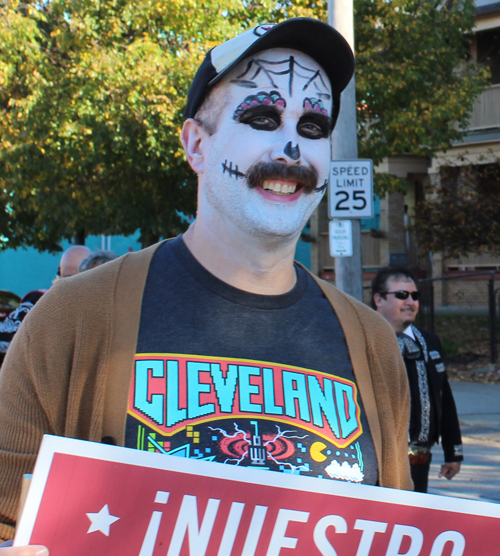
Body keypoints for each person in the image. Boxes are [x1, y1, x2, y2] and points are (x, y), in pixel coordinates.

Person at [0, 19, 412, 550]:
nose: (290, 147)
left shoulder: (372, 345)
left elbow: (394, 529)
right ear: (196, 145)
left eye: (313, 128)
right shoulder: (76, 317)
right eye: (262, 118)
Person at [372, 266, 463, 493]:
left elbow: (444, 398)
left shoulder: (429, 341)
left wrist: (454, 452)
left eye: (415, 296)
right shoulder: (364, 340)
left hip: (419, 462)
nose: (410, 301)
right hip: (376, 463)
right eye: (402, 295)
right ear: (379, 299)